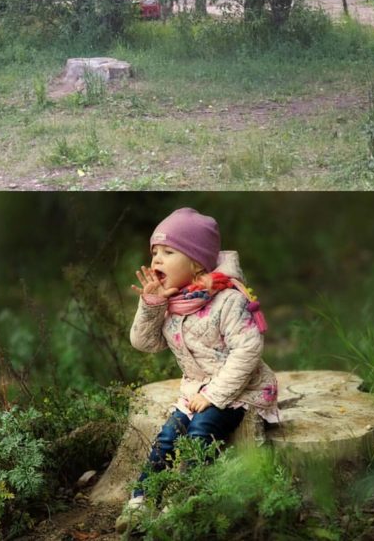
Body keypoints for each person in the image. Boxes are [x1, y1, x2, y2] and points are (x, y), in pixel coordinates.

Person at [115, 207, 279, 534]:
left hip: (237, 391)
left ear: (195, 263)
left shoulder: (228, 300)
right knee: (165, 439)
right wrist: (151, 305)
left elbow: (248, 349)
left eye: (168, 252)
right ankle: (141, 500)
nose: (157, 260)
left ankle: (182, 502)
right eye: (155, 252)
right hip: (195, 390)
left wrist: (216, 394)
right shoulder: (173, 302)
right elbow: (144, 343)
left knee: (200, 434)